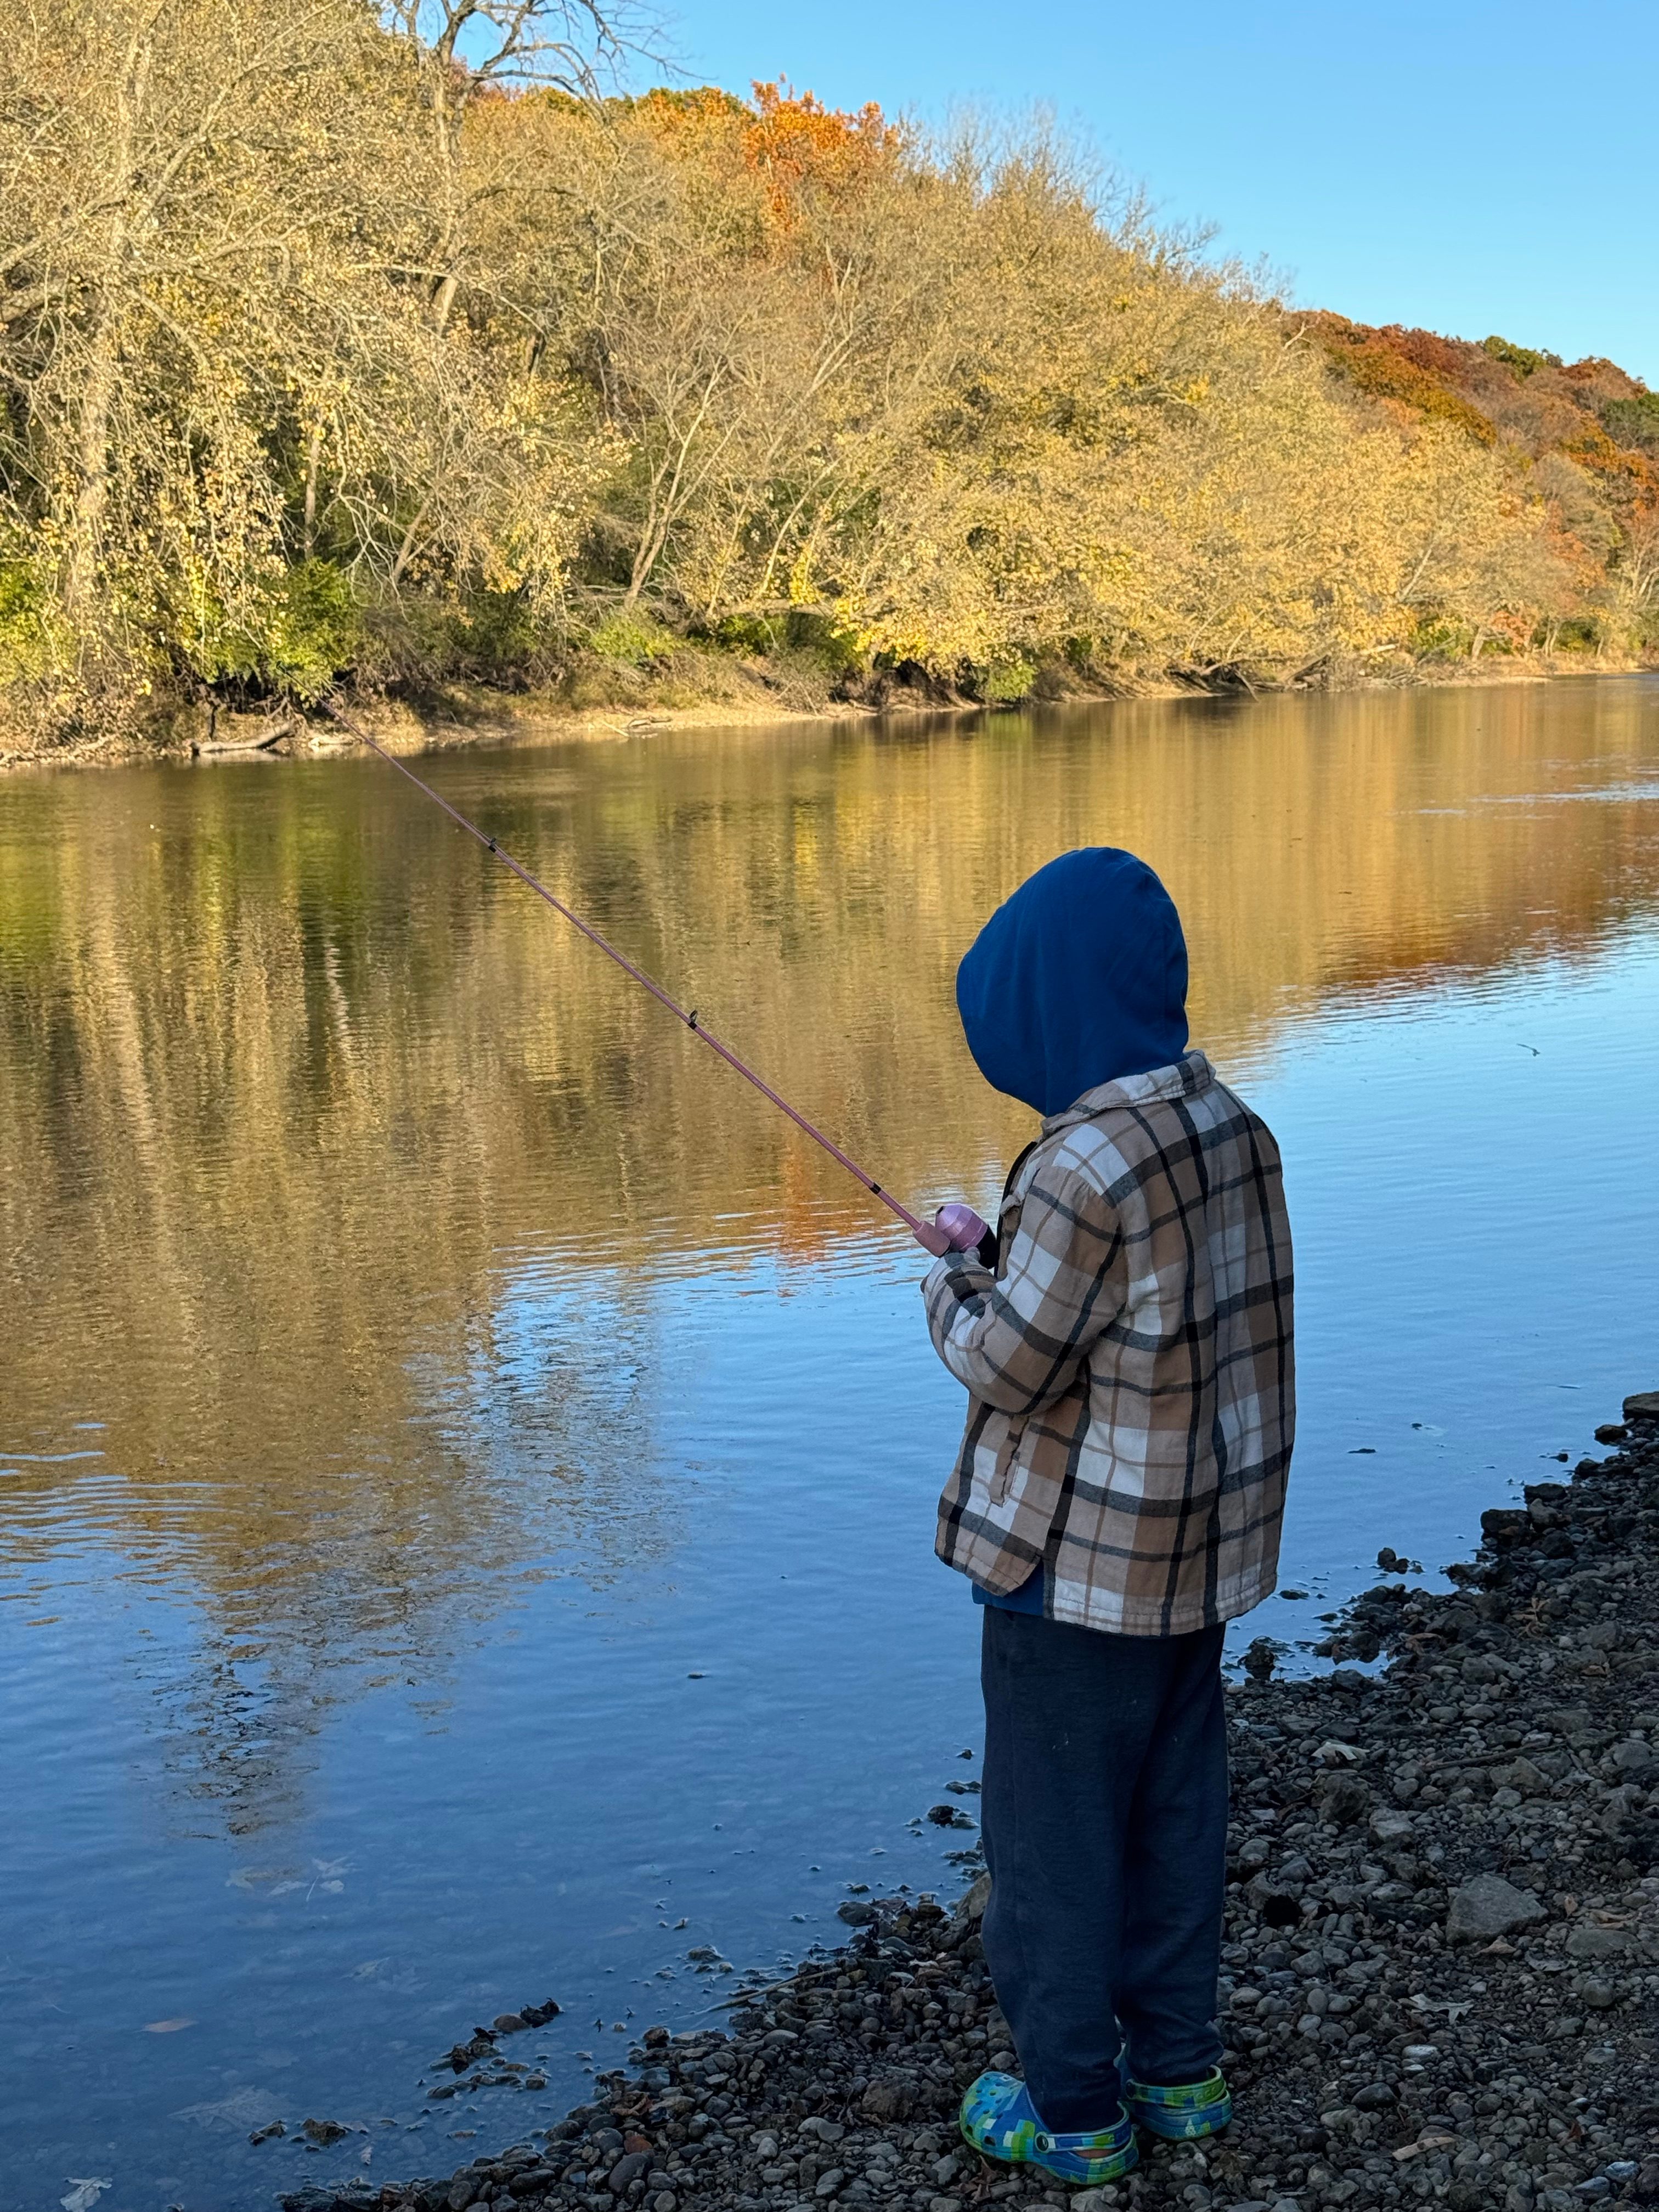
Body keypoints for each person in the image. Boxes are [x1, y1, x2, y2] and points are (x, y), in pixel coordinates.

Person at [922, 847, 1295, 2190]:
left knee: (1052, 1849)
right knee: (1174, 1820)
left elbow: (1009, 1364)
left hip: (1068, 1586)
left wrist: (957, 1283)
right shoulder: (1233, 1126)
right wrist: (1005, 1257)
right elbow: (1168, 1323)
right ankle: (1181, 2076)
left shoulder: (1081, 1162)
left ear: (1050, 1015)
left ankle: (1075, 2113)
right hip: (1194, 1570)